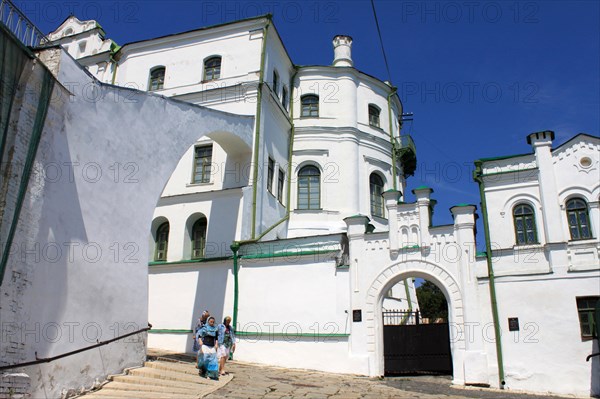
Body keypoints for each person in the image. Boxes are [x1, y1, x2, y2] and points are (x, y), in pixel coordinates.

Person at [197, 316, 219, 380]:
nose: (212, 323)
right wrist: (200, 341)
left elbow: (216, 338)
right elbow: (199, 335)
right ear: (208, 321)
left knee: (213, 360)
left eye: (213, 322)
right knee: (205, 359)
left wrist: (216, 344)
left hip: (212, 346)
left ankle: (210, 374)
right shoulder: (204, 328)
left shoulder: (215, 329)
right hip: (205, 345)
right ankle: (204, 371)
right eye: (211, 321)